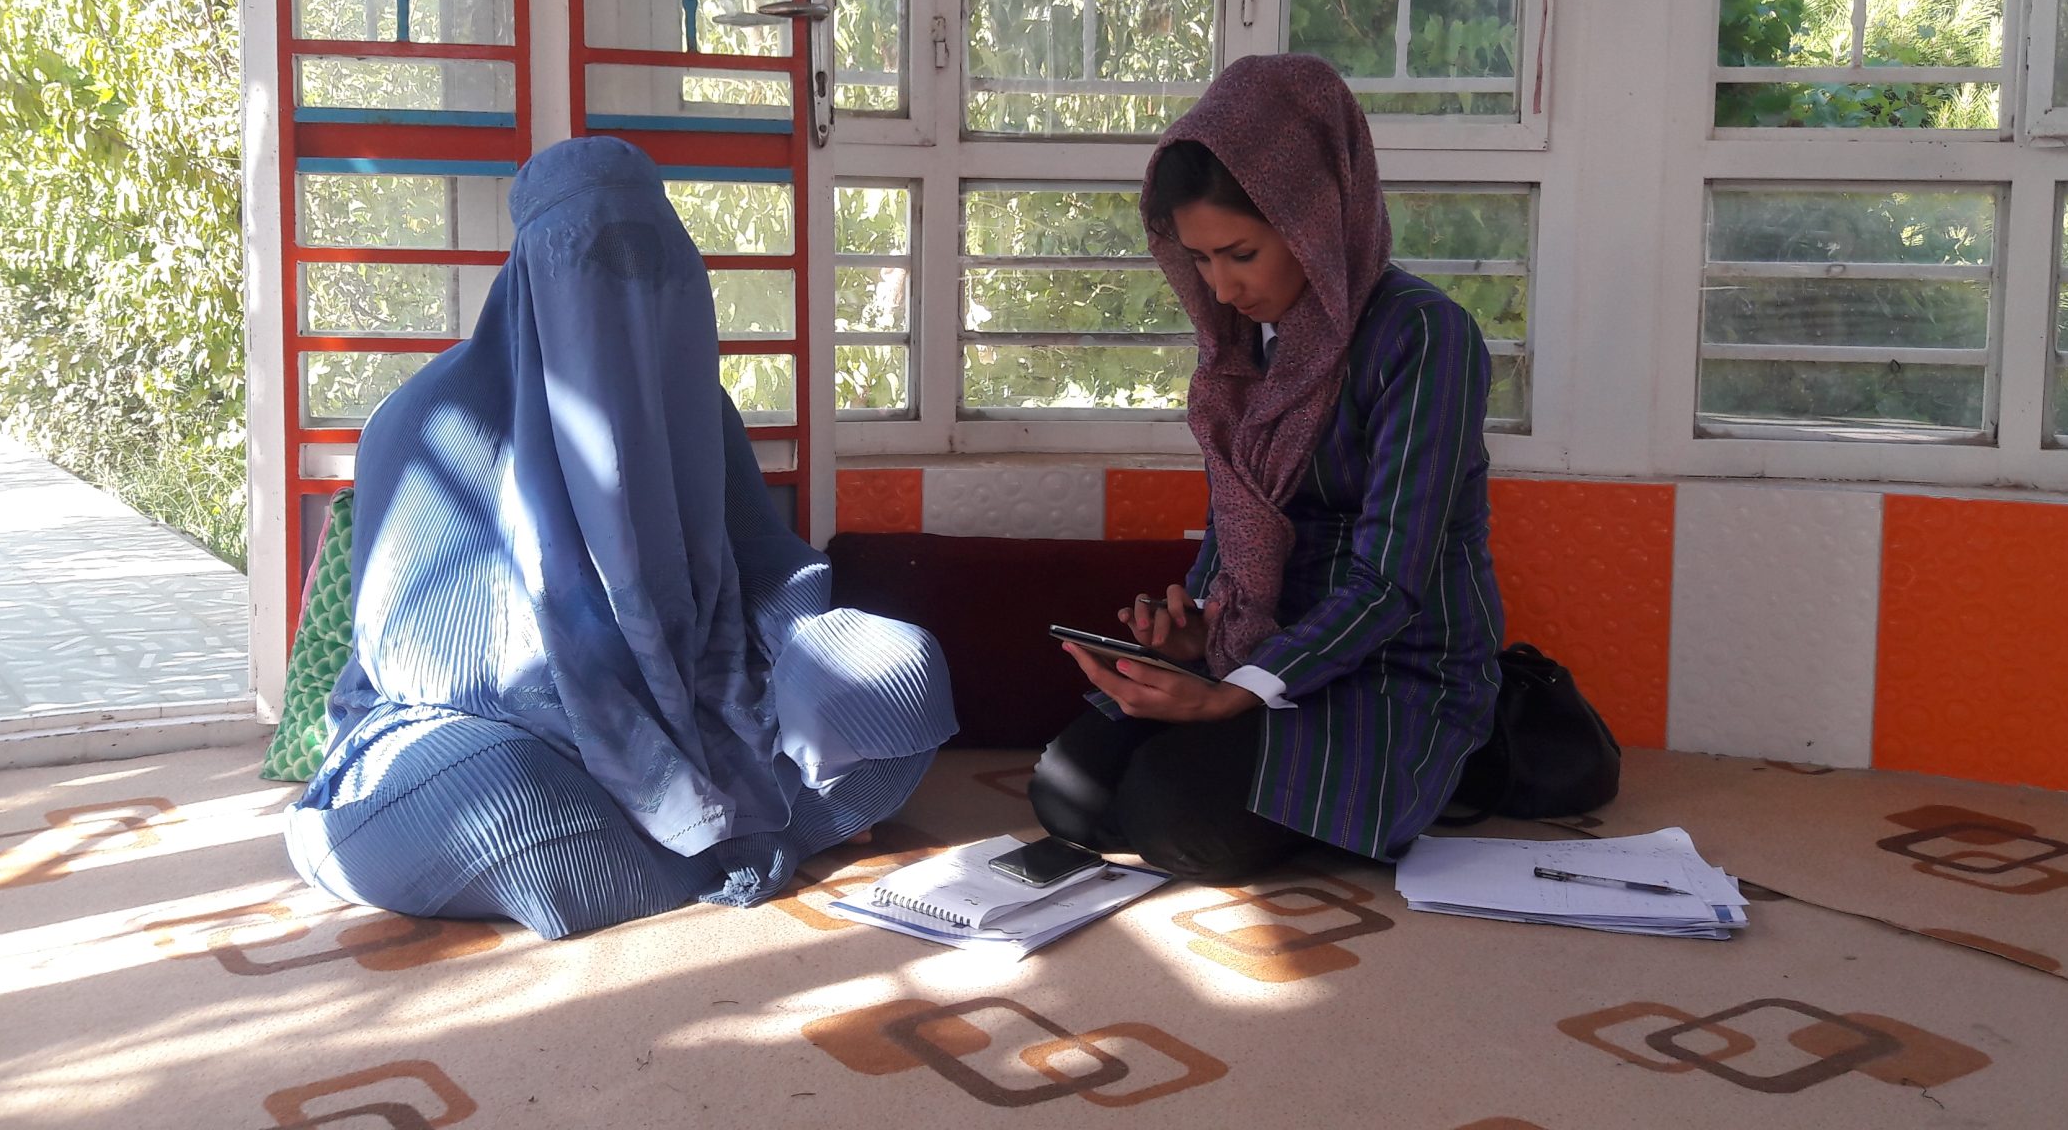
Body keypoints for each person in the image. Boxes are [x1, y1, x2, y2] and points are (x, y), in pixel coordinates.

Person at [285, 136, 956, 939]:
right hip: (496, 725)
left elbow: (768, 578)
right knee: (503, 798)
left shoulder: (699, 409)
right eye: (590, 260)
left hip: (705, 698)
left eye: (646, 262)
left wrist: (776, 665)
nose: (620, 289)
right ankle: (714, 832)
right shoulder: (424, 420)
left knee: (901, 673)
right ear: (527, 273)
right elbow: (405, 654)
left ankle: (661, 842)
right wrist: (584, 706)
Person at [1028, 54, 1505, 881]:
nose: (1222, 287)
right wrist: (1198, 635)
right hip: (1262, 652)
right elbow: (1239, 523)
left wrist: (1237, 689)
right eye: (1202, 260)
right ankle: (1267, 759)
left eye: (1240, 253)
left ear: (1317, 218)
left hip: (1395, 664)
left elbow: (1392, 580)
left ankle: (1444, 758)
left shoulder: (1425, 338)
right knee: (1067, 791)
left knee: (1174, 818)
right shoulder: (1242, 351)